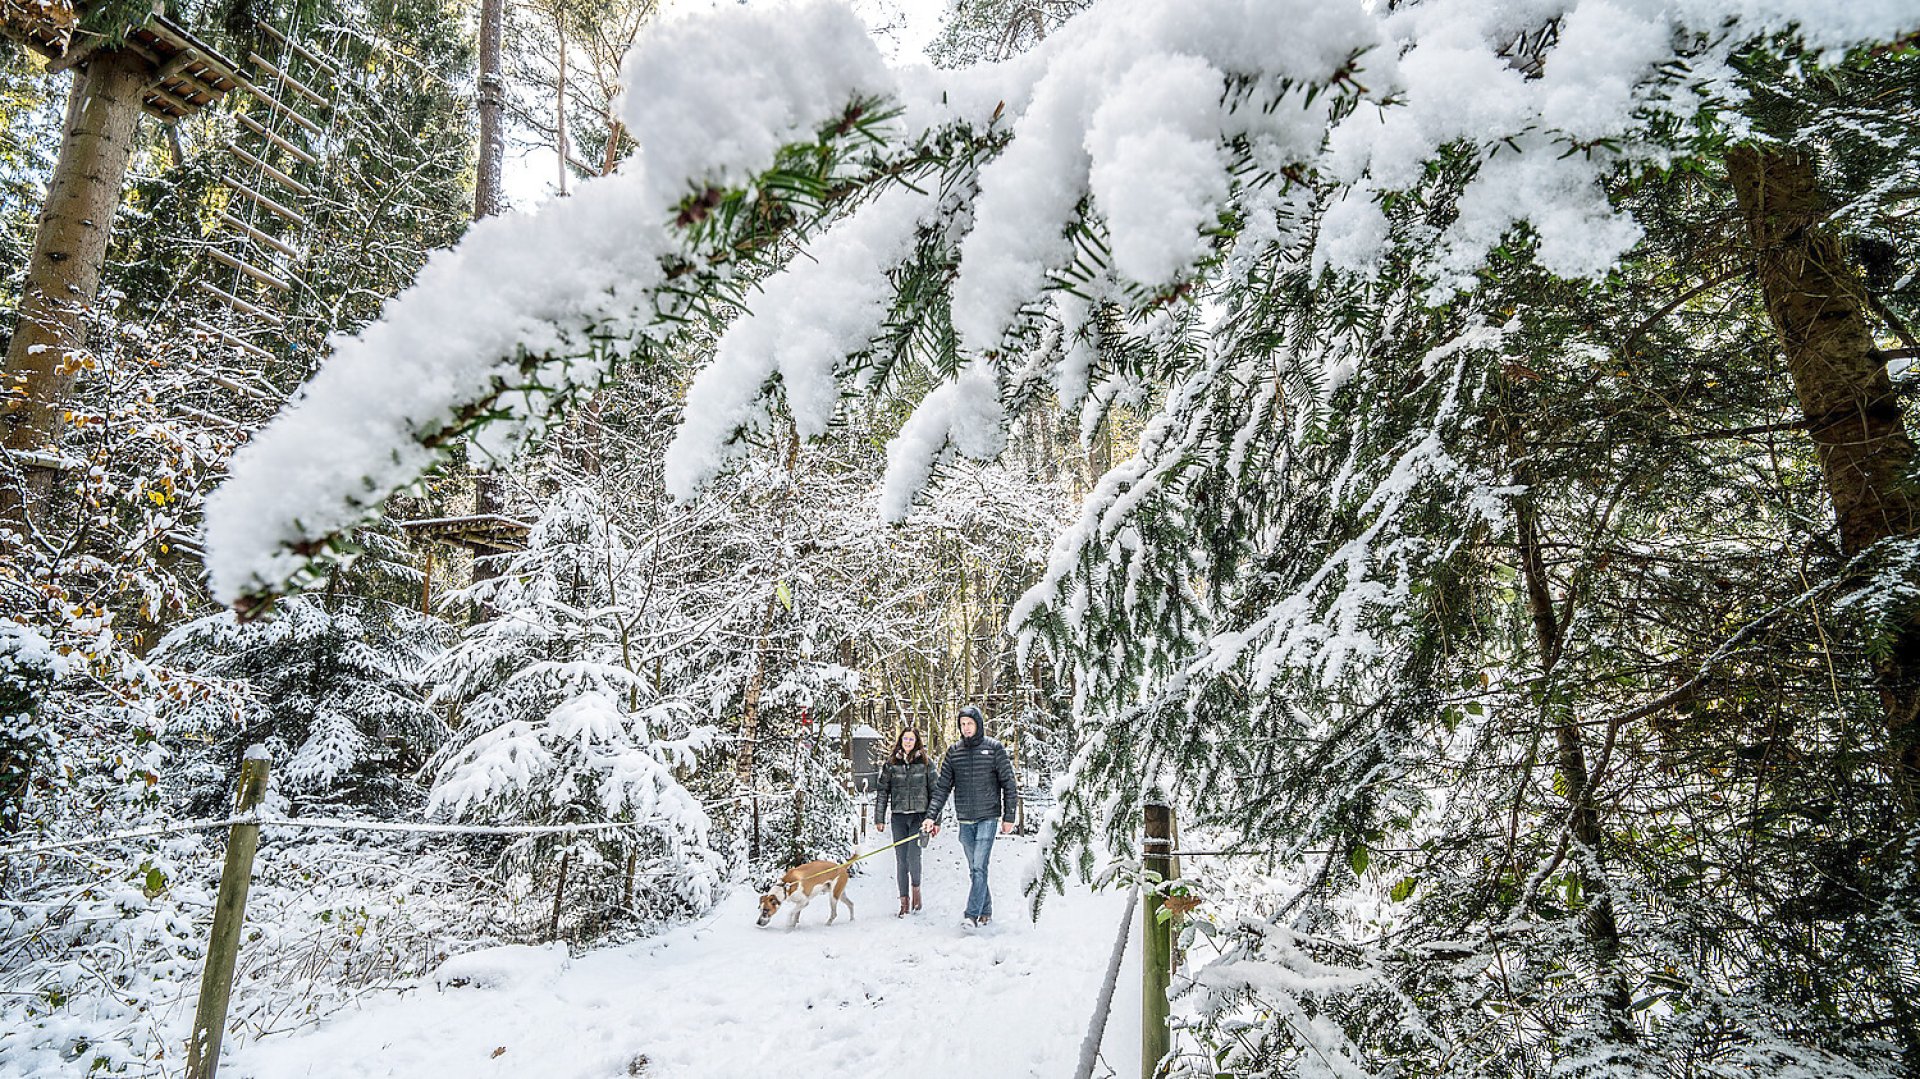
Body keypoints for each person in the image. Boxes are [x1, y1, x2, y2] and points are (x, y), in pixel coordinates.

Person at [922, 704, 1018, 927]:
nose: (966, 728)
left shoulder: (994, 748)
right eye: (962, 724)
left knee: (978, 867)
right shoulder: (954, 752)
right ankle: (986, 910)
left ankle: (971, 915)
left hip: (988, 816)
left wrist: (1009, 816)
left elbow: (1008, 784)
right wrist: (931, 816)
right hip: (965, 818)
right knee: (975, 868)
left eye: (970, 724)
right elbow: (942, 788)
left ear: (978, 724)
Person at [873, 727, 935, 916]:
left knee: (913, 857)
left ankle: (916, 892)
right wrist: (879, 817)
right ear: (900, 741)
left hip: (919, 817)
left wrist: (934, 819)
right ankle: (904, 902)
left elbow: (936, 791)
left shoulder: (926, 763)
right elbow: (883, 791)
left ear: (917, 741)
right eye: (905, 738)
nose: (908, 742)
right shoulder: (891, 764)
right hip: (899, 817)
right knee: (901, 860)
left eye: (911, 739)